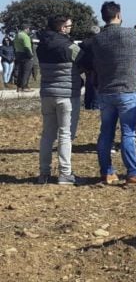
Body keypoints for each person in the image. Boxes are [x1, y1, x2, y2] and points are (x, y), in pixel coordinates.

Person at [76, 1, 136, 185]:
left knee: (106, 133)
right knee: (128, 133)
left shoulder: (97, 39)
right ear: (118, 15)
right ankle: (134, 173)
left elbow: (86, 59)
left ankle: (107, 172)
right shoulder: (131, 34)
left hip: (104, 90)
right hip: (127, 89)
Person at [37, 15, 81, 185]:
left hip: (47, 93)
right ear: (62, 28)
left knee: (47, 134)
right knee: (65, 134)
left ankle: (44, 173)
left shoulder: (41, 46)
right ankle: (65, 173)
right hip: (67, 94)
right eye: (69, 27)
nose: (70, 29)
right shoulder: (68, 46)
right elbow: (84, 60)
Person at [14, 23, 35, 91]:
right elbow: (27, 47)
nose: (29, 30)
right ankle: (24, 86)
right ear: (26, 29)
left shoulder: (17, 35)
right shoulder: (25, 36)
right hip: (26, 54)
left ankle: (19, 86)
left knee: (21, 71)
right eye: (29, 29)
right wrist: (31, 56)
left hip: (18, 54)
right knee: (26, 71)